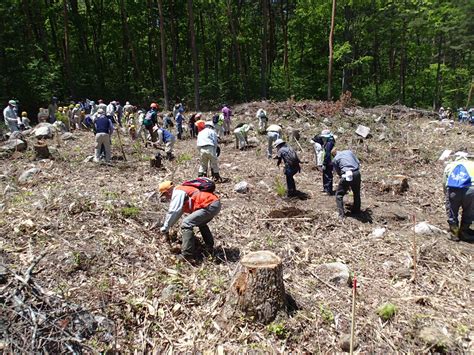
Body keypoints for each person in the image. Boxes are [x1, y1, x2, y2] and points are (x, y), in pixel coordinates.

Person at [158, 180, 221, 263]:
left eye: (164, 194)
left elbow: (173, 211)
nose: (166, 197)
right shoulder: (183, 190)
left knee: (186, 223)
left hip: (209, 204)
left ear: (168, 191)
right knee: (200, 222)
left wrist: (165, 227)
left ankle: (187, 255)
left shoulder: (178, 192)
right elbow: (177, 213)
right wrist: (168, 226)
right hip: (214, 203)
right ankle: (209, 247)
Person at [443, 154, 474, 241]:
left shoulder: (451, 165)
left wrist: (447, 195)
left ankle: (454, 233)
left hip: (454, 190)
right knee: (469, 211)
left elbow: (444, 182)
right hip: (472, 190)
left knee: (452, 211)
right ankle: (465, 232)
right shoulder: (472, 164)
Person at [332, 150, 361, 219]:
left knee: (339, 194)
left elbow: (338, 171)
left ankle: (341, 215)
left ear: (333, 155)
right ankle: (356, 211)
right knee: (356, 192)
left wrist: (344, 182)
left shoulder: (335, 159)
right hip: (356, 172)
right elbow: (358, 162)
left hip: (346, 174)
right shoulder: (349, 152)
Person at [311, 129, 336, 195]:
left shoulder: (329, 143)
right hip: (327, 161)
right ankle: (325, 188)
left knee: (328, 176)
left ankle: (328, 191)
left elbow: (327, 154)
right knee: (325, 175)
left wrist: (324, 163)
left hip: (329, 162)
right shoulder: (328, 142)